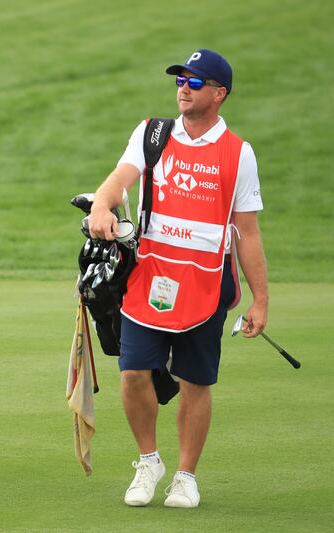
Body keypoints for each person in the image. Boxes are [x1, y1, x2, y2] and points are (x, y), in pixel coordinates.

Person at [88, 49, 268, 508]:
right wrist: (102, 206)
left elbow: (246, 232)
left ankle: (186, 474)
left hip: (207, 286)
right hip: (149, 277)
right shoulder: (153, 133)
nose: (183, 89)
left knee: (195, 382)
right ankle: (148, 461)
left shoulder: (238, 154)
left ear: (219, 93)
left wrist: (261, 299)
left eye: (194, 82)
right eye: (180, 81)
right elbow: (120, 178)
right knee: (132, 374)